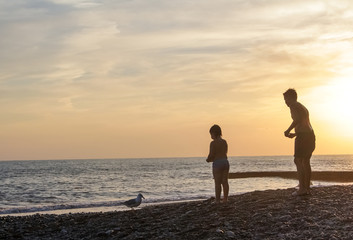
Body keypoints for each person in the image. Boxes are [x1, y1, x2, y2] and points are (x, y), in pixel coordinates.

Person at [283, 88, 316, 196]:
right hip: (309, 135)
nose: (285, 102)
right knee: (305, 161)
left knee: (298, 160)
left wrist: (288, 130)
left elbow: (297, 119)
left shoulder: (294, 105)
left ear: (291, 97)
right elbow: (304, 123)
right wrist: (296, 134)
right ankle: (306, 188)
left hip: (303, 137)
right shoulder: (302, 107)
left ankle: (302, 188)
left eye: (286, 99)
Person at [206, 124, 230, 203]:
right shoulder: (224, 142)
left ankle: (217, 200)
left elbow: (212, 154)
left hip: (217, 163)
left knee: (217, 183)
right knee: (225, 181)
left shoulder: (213, 143)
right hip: (225, 162)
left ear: (214, 133)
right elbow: (225, 152)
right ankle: (225, 199)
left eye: (211, 134)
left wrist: (208, 159)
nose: (211, 136)